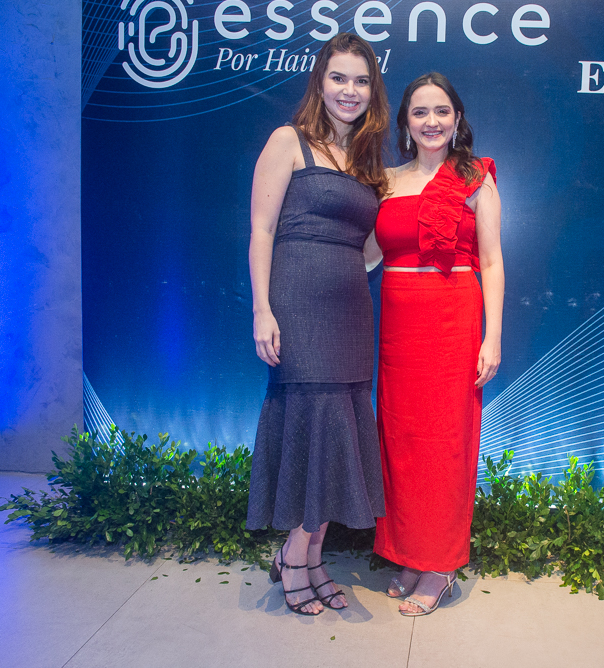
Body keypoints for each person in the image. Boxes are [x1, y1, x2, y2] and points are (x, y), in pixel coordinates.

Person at [245, 33, 389, 616]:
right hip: (297, 305)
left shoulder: (367, 161)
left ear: (372, 90)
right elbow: (261, 230)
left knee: (340, 435)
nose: (349, 91)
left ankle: (307, 558)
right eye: (339, 78)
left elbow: (372, 245)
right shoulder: (289, 141)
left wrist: (352, 264)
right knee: (313, 427)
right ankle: (293, 557)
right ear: (320, 82)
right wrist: (263, 308)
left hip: (351, 310)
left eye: (361, 80)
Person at [371, 72, 504, 616]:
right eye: (420, 111)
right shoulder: (384, 180)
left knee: (446, 443)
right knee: (402, 441)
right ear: (405, 122)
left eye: (442, 111)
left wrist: (492, 337)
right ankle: (410, 553)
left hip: (453, 321)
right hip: (398, 325)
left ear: (457, 119)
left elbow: (492, 261)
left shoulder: (475, 178)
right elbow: (367, 254)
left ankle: (441, 564)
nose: (432, 121)